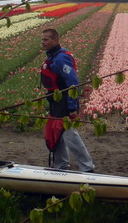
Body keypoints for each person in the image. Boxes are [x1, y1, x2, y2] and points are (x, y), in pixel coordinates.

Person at [39, 27, 95, 173]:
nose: (43, 42)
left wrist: (72, 107)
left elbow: (73, 83)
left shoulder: (61, 58)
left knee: (70, 135)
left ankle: (87, 167)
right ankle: (61, 166)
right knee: (56, 133)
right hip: (55, 101)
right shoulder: (53, 56)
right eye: (42, 39)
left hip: (64, 101)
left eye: (46, 39)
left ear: (55, 40)